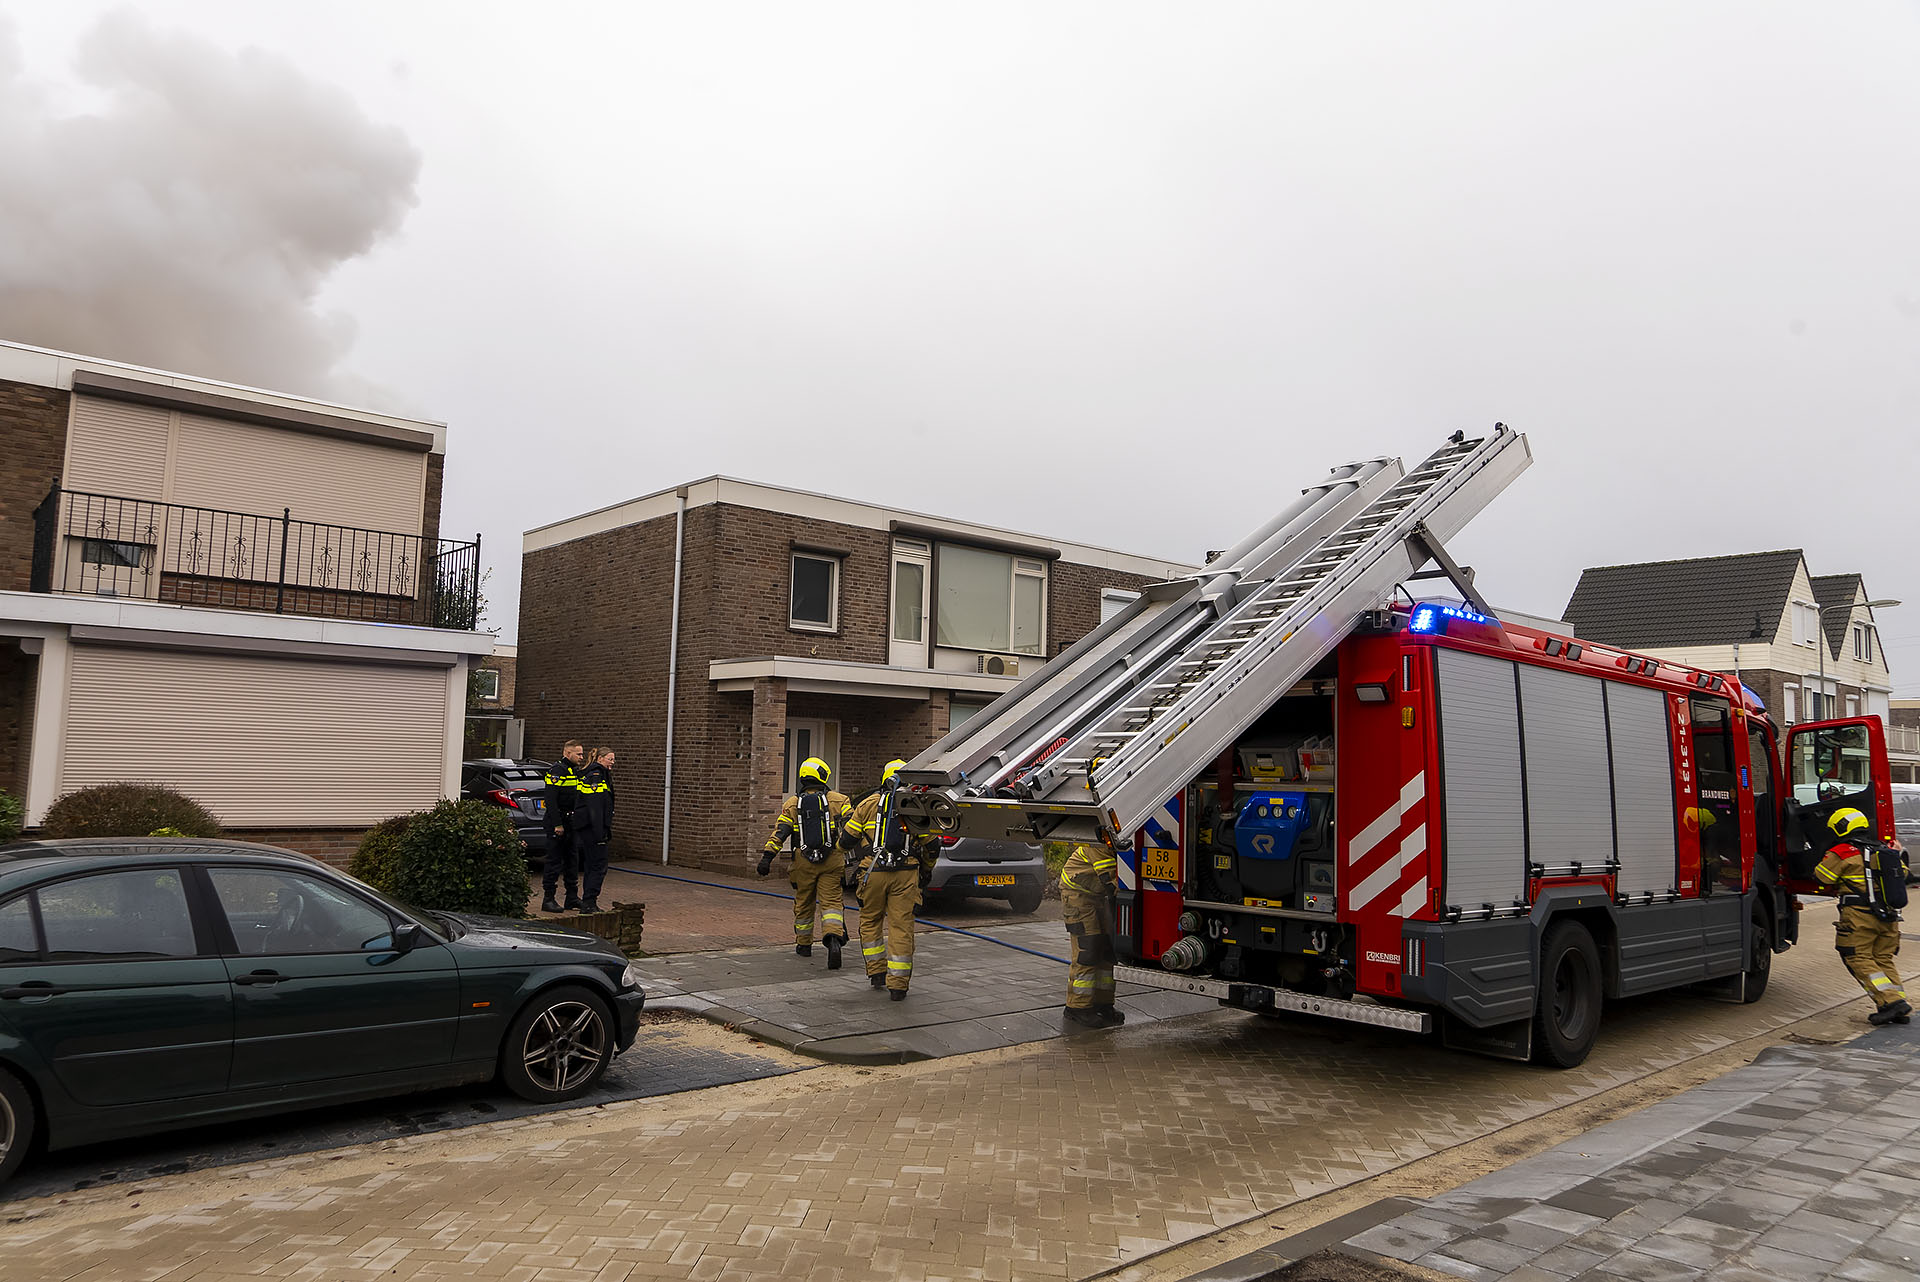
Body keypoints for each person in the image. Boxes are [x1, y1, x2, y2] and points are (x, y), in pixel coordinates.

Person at [845, 759, 937, 1000]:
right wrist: (926, 870)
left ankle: (876, 972)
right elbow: (933, 845)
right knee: (901, 926)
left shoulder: (868, 804)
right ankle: (898, 985)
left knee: (870, 920)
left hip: (873, 873)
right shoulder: (915, 805)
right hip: (906, 875)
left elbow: (846, 840)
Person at [1814, 807, 1915, 1025]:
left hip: (1858, 916)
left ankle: (1890, 1002)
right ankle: (1897, 1003)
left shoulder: (1842, 852)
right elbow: (1905, 875)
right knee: (1882, 958)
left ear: (1841, 828)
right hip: (1888, 916)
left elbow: (1823, 877)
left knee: (1857, 957)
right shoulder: (1883, 850)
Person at [757, 757, 853, 967]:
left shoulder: (792, 803)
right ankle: (834, 939)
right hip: (833, 859)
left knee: (804, 903)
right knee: (831, 903)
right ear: (823, 775)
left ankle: (804, 945)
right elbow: (852, 829)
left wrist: (767, 857)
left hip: (803, 860)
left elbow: (780, 832)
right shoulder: (840, 800)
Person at [1059, 840, 1124, 1028]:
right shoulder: (1098, 844)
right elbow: (1112, 881)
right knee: (1088, 950)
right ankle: (1077, 1008)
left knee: (1107, 951)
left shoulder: (1118, 843)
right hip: (1077, 896)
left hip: (1096, 896)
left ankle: (1103, 1005)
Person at [540, 740, 589, 913]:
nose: (581, 757)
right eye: (579, 754)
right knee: (554, 861)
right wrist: (557, 824)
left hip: (571, 822)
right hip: (558, 821)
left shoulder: (574, 771)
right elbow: (551, 800)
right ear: (568, 754)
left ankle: (572, 897)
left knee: (572, 861)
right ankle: (548, 899)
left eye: (582, 754)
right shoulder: (557, 770)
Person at [574, 747, 616, 913]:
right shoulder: (596, 776)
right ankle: (589, 903)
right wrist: (600, 833)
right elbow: (595, 807)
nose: (612, 762)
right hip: (593, 829)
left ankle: (588, 901)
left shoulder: (591, 773)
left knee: (592, 865)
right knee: (598, 865)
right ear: (600, 758)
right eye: (610, 759)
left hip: (589, 828)